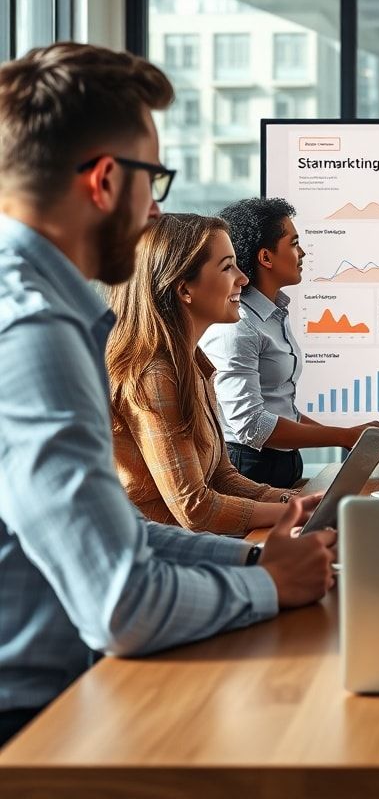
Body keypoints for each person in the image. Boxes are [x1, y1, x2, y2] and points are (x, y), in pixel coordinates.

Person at [0, 44, 334, 748]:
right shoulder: (34, 332)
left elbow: (114, 540)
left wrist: (253, 561)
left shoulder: (44, 316)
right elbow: (121, 604)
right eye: (153, 181)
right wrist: (272, 588)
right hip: (37, 725)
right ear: (104, 180)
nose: (155, 209)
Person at [107, 213, 309, 534]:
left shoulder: (194, 362)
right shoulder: (155, 375)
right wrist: (292, 512)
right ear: (185, 289)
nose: (243, 279)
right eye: (228, 267)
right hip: (157, 561)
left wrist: (290, 501)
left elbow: (220, 477)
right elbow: (195, 509)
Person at [200, 197, 379, 489]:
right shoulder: (238, 325)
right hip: (248, 469)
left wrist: (350, 437)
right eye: (293, 243)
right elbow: (251, 426)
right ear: (266, 258)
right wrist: (341, 436)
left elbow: (280, 410)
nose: (302, 252)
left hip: (282, 464)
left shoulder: (272, 315)